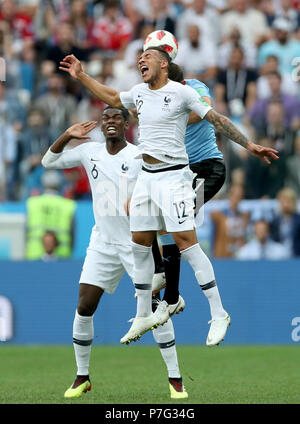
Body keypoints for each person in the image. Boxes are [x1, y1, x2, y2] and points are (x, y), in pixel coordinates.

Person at [59, 46, 279, 346]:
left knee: (186, 244)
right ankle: (143, 314)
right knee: (140, 242)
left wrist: (250, 145)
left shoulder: (182, 93)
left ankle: (218, 313)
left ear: (164, 64)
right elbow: (111, 97)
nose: (140, 61)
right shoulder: (138, 92)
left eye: (146, 57)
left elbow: (218, 119)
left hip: (173, 177)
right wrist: (82, 75)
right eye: (139, 58)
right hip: (147, 178)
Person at [41, 108, 188, 399]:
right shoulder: (89, 151)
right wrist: (67, 135)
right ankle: (82, 377)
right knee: (84, 305)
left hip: (137, 245)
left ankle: (176, 380)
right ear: (101, 125)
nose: (110, 122)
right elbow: (48, 161)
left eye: (116, 118)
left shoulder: (138, 156)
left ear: (126, 124)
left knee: (156, 309)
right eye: (105, 118)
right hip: (103, 243)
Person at [26, 169, 76, 260]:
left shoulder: (33, 203)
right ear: (59, 185)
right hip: (62, 257)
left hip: (34, 256)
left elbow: (25, 231)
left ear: (43, 184)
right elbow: (72, 234)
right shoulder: (68, 205)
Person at [269, 187, 300, 257]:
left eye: (288, 201)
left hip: (296, 255)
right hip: (279, 256)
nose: (285, 204)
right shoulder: (275, 221)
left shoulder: (298, 220)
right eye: (283, 201)